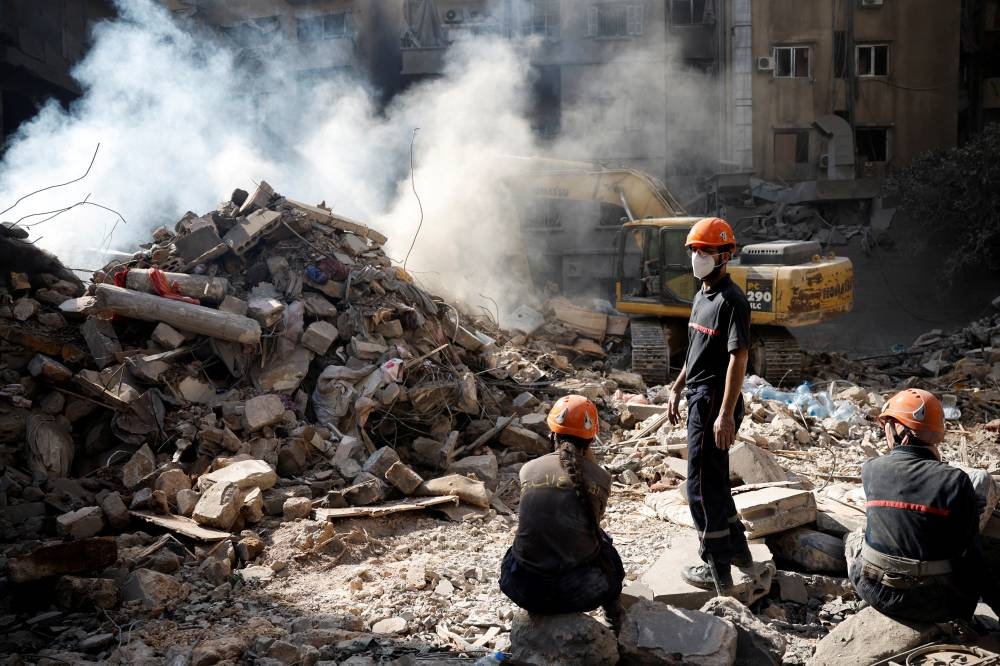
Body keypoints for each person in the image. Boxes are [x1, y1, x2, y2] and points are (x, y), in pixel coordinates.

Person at [845, 388, 1000, 622]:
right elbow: (972, 560)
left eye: (887, 424)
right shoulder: (955, 480)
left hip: (874, 591)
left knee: (855, 537)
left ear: (900, 428)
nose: (885, 431)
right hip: (936, 605)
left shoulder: (871, 468)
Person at [666, 217, 753, 592]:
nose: (698, 257)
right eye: (694, 251)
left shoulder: (733, 301)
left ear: (725, 255)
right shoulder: (702, 296)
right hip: (698, 397)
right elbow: (695, 350)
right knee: (714, 482)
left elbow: (738, 359)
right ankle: (740, 554)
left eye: (705, 250)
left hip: (715, 402)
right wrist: (676, 386)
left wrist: (724, 415)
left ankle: (717, 570)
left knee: (699, 488)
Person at [499, 394, 625, 621]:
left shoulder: (528, 469)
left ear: (552, 434)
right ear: (591, 441)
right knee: (605, 544)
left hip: (522, 589)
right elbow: (592, 524)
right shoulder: (600, 478)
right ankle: (613, 615)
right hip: (579, 593)